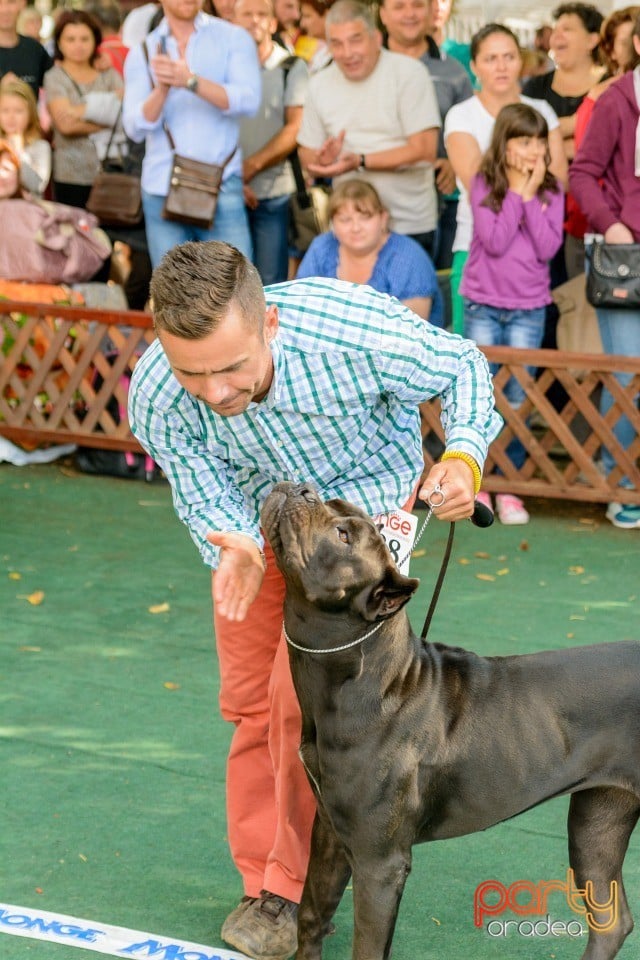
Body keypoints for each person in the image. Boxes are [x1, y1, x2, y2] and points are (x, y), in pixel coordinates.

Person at [128, 239, 502, 960]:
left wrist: (462, 452)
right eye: (191, 371)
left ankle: (290, 891)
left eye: (232, 367)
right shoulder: (155, 392)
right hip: (254, 526)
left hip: (352, 529)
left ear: (268, 322)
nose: (213, 392)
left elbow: (460, 365)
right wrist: (234, 545)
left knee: (303, 707)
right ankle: (260, 873)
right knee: (249, 705)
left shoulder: (348, 329)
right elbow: (198, 478)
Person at [461, 103, 564, 525]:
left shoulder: (552, 190)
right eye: (524, 140)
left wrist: (531, 192)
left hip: (528, 307)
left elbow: (547, 249)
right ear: (504, 144)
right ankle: (480, 482)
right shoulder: (484, 182)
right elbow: (496, 240)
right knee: (482, 399)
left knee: (518, 399)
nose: (535, 149)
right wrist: (520, 196)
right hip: (484, 303)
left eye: (540, 140)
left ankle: (512, 486)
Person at [444, 23, 568, 335]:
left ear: (520, 61)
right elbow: (477, 185)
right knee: (473, 362)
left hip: (531, 253)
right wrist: (526, 180)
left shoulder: (541, 111)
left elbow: (558, 179)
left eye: (509, 56)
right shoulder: (462, 115)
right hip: (476, 243)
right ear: (474, 66)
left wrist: (518, 180)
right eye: (490, 58)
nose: (501, 66)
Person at [122, 0, 261, 268]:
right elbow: (135, 127)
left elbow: (249, 100)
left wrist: (190, 81)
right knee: (173, 295)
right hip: (162, 186)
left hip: (221, 184)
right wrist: (161, 91)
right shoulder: (143, 50)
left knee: (236, 287)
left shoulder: (233, 37)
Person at [297, 0, 441, 258]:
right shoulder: (319, 84)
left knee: (410, 298)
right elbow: (306, 152)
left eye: (355, 40)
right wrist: (321, 160)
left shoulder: (409, 73)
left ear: (376, 38)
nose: (347, 52)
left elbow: (424, 150)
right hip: (350, 228)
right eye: (337, 44)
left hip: (409, 223)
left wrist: (360, 161)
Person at [569, 13, 640, 530]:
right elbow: (583, 172)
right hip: (626, 259)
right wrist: (612, 225)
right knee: (626, 374)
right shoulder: (618, 100)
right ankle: (621, 486)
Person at [379, 0, 473, 271]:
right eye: (399, 6)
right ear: (383, 15)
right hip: (376, 203)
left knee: (435, 287)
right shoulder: (366, 66)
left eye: (417, 5)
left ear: (431, 11)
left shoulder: (453, 71)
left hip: (442, 205)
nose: (409, 13)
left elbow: (469, 125)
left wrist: (454, 161)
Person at [234, 0, 308, 285]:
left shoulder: (291, 66)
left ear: (273, 23)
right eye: (247, 14)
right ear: (233, 22)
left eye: (262, 14)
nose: (255, 20)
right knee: (228, 284)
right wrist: (234, 178)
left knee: (270, 283)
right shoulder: (220, 68)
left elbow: (296, 127)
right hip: (226, 191)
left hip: (274, 192)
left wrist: (251, 167)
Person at [297, 177, 442, 324]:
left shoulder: (408, 258)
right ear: (332, 224)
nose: (356, 228)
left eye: (365, 218)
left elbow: (410, 332)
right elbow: (301, 306)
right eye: (345, 220)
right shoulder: (321, 247)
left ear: (383, 218)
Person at [44, 10, 124, 209]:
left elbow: (125, 114)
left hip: (110, 172)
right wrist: (107, 118)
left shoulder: (108, 73)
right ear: (59, 42)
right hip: (71, 175)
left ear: (95, 40)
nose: (78, 45)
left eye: (84, 39)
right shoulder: (55, 77)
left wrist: (78, 111)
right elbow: (66, 126)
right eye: (70, 39)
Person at [0, 76, 50, 194]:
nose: (11, 117)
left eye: (18, 111)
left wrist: (18, 152)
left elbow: (36, 186)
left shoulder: (40, 147)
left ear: (30, 114)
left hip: (28, 209)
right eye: (5, 110)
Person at [0, 0, 52, 98]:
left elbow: (57, 86)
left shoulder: (35, 49)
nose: (4, 10)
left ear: (22, 4)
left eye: (11, 2)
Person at [297, 0, 334, 73]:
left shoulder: (341, 57)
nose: (302, 24)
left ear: (327, 15)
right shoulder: (320, 54)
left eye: (307, 16)